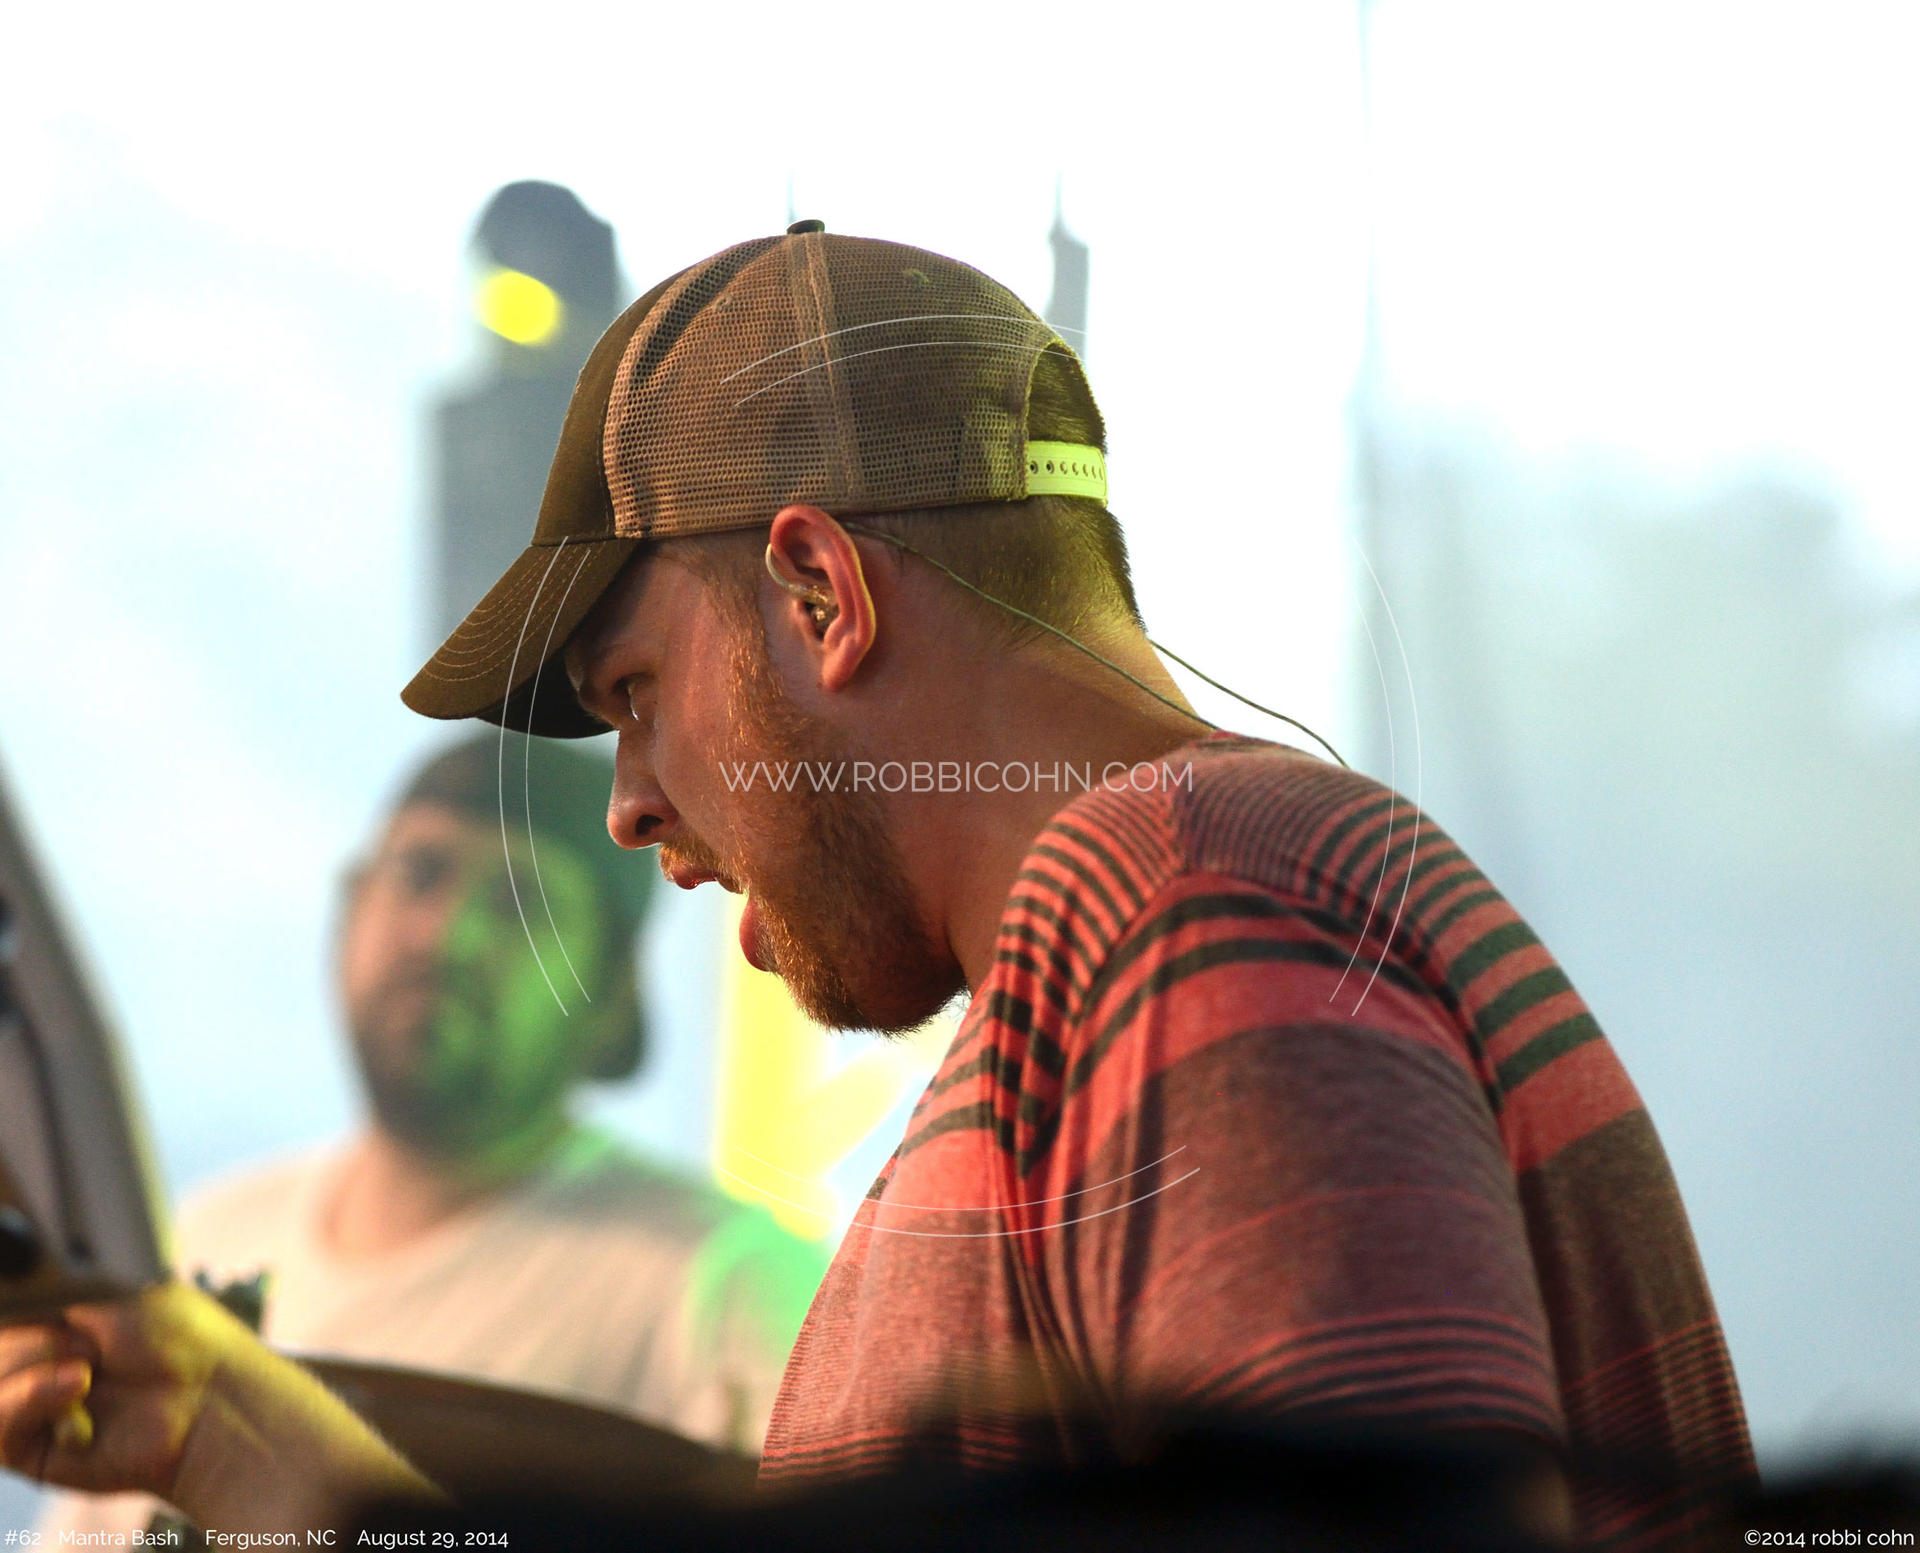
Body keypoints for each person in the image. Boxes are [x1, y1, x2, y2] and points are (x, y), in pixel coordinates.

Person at [0, 226, 1755, 1548]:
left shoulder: (1184, 898)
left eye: (635, 693)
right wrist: (239, 1435)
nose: (629, 804)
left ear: (821, 597)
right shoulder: (1155, 932)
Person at [32, 731, 825, 1537]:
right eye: (420, 874)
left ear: (613, 992)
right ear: (350, 908)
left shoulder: (733, 1286)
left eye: (521, 904)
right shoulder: (203, 1234)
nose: (448, 935)